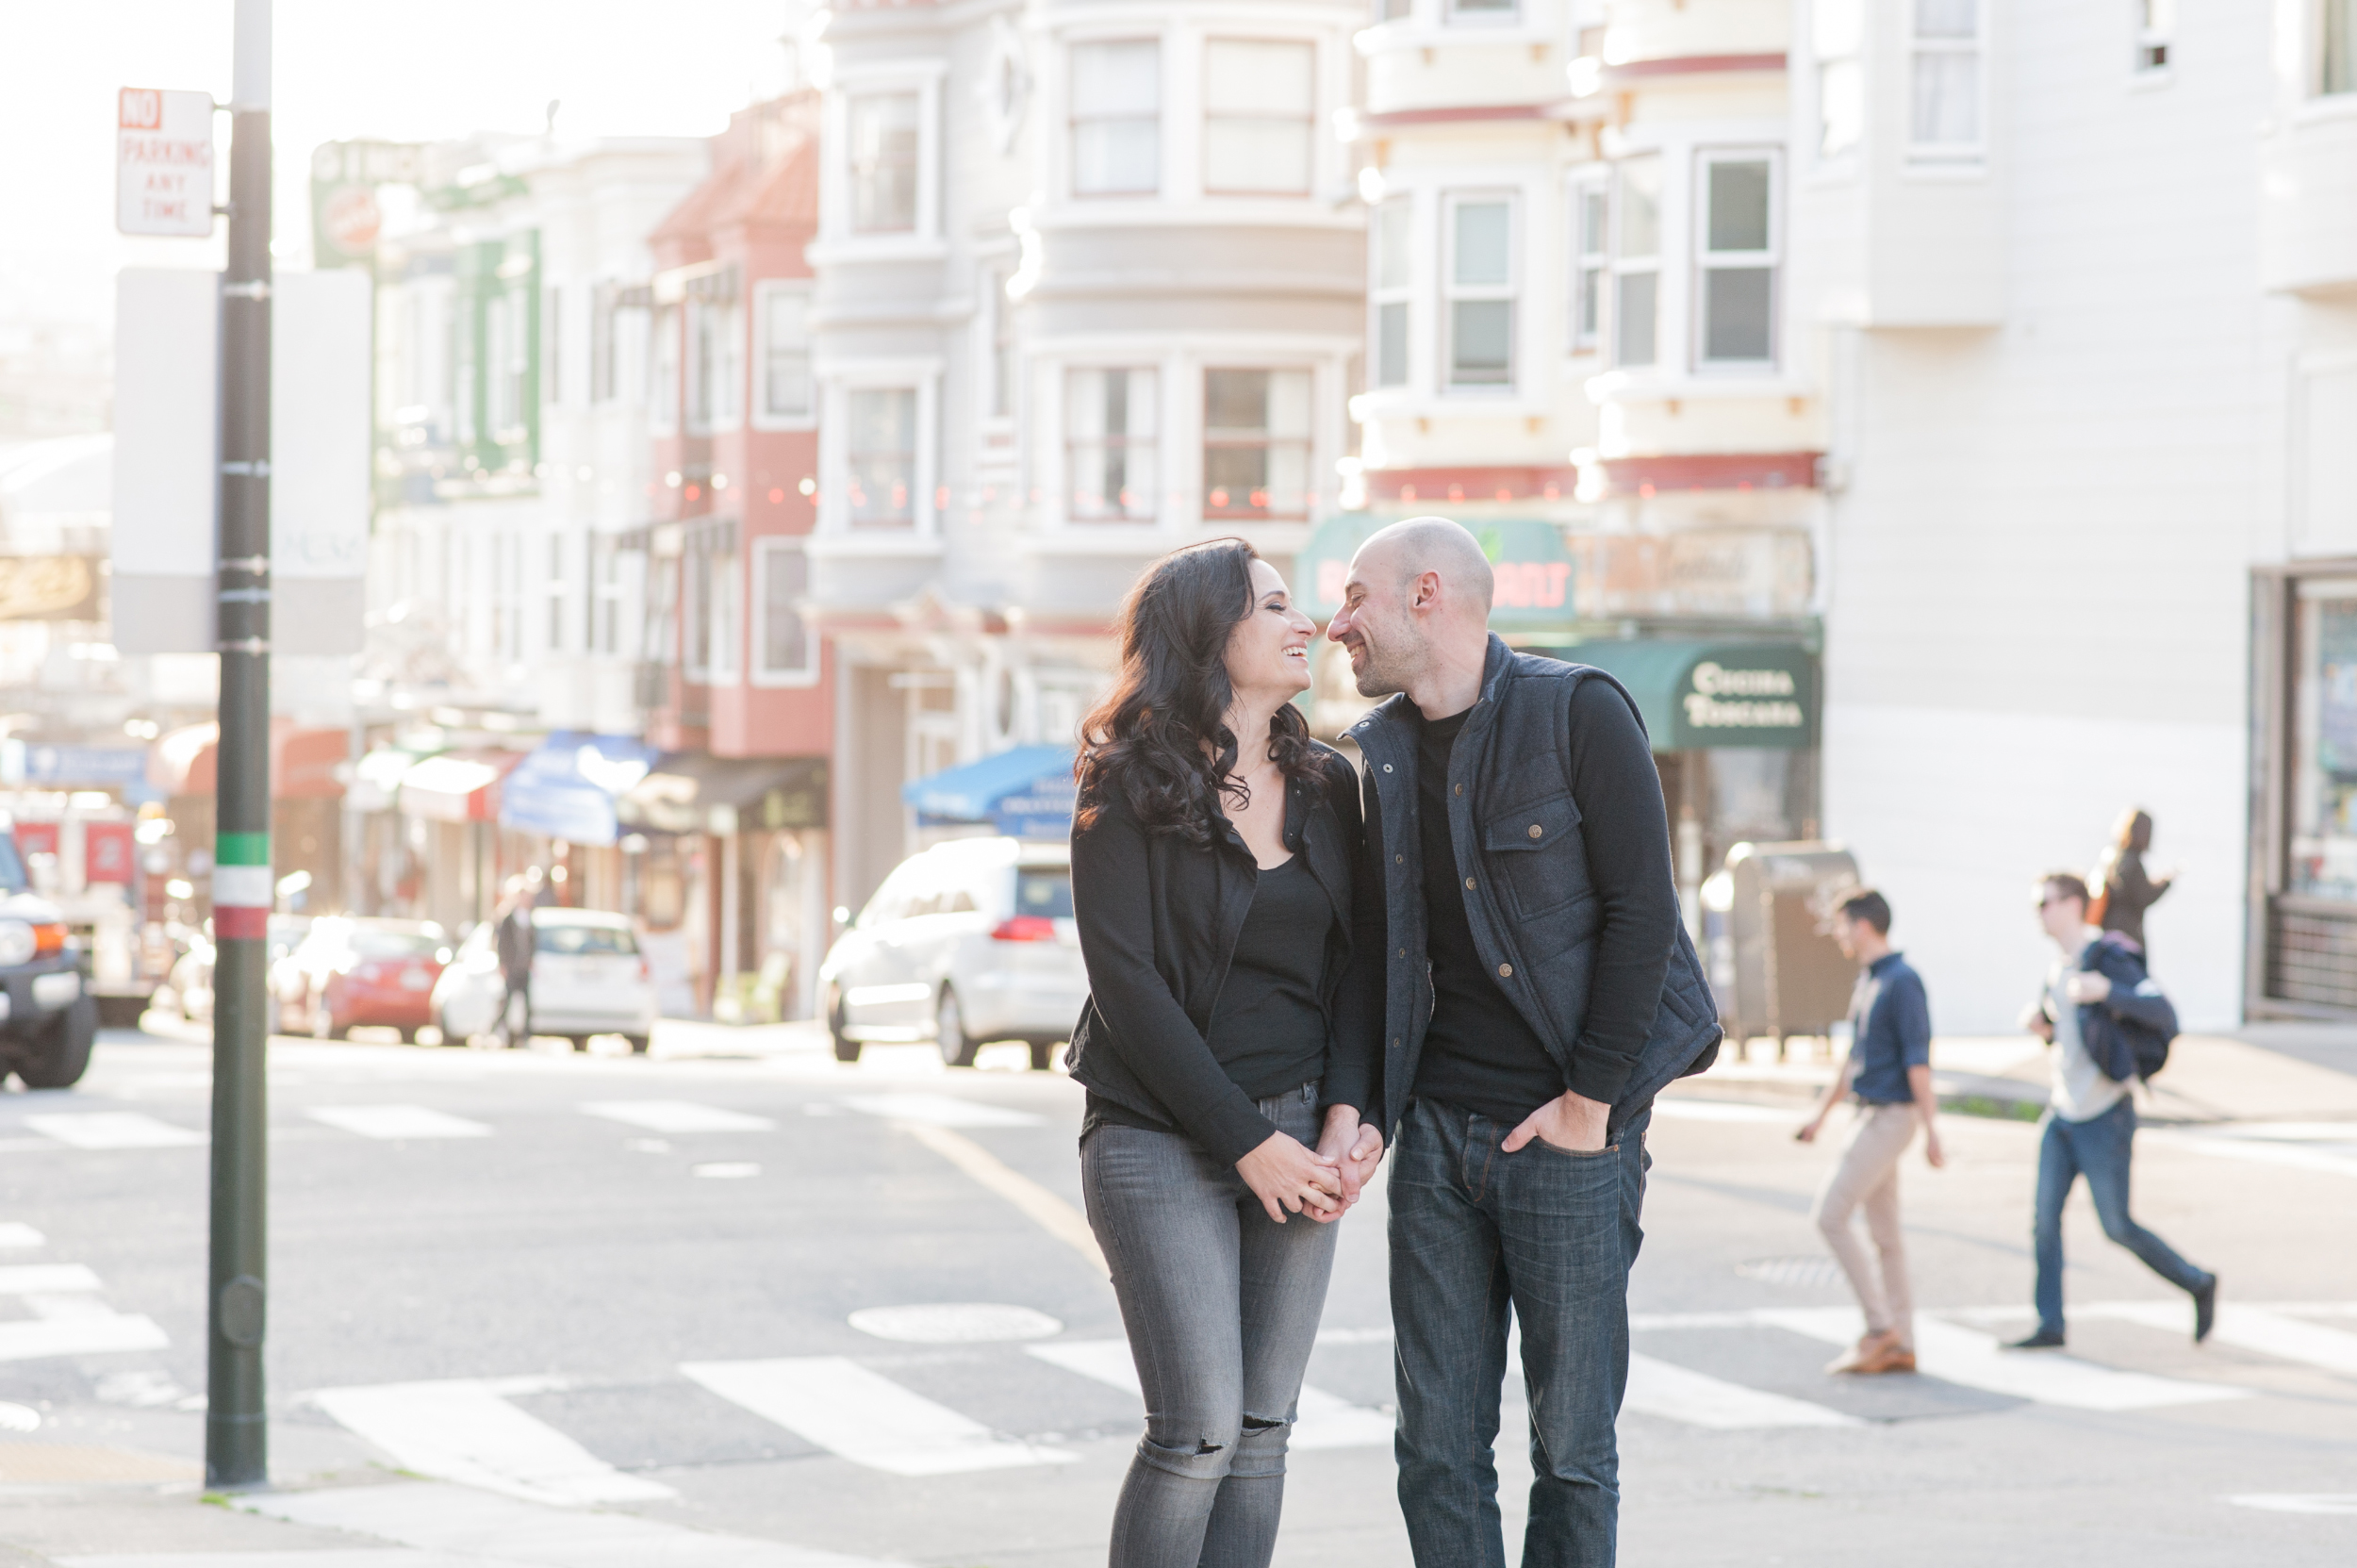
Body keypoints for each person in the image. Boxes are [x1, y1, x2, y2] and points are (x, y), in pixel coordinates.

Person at [1324, 517, 1720, 1568]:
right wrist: (1361, 1110)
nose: (1335, 624)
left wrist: (1590, 1106)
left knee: (1572, 1450)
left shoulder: (1577, 711)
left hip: (1568, 1139)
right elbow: (1376, 957)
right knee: (1436, 1453)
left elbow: (1643, 914)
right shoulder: (1379, 759)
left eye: (1354, 598)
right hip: (1437, 1145)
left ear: (1426, 596)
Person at [1065, 538, 1384, 1568]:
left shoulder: (1330, 783)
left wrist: (1345, 1113)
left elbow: (1356, 970)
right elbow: (1128, 989)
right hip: (1157, 1137)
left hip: (1299, 1127)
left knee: (1260, 1431)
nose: (1309, 625)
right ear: (1212, 632)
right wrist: (1247, 1142)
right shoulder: (1125, 781)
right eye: (1278, 605)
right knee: (1197, 1431)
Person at [2009, 872, 2217, 1351]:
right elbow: (2074, 1037)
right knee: (2043, 1222)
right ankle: (2050, 1325)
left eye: (2046, 902)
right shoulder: (2056, 970)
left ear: (2074, 904)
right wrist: (2044, 1027)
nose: (2039, 912)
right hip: (2063, 1113)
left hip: (2106, 1114)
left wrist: (2107, 991)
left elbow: (2164, 1012)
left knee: (2118, 1227)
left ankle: (2198, 1282)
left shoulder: (2110, 957)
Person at [1796, 888, 1943, 1377]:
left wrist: (1932, 1129)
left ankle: (1881, 1330)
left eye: (1841, 925)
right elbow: (1852, 1061)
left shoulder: (1903, 982)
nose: (1838, 934)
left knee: (1830, 1216)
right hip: (1868, 1113)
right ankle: (1902, 1342)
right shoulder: (1870, 980)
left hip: (1891, 1116)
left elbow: (1918, 1062)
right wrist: (1820, 1117)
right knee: (1887, 1236)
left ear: (1862, 926)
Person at [2092, 807, 2171, 959]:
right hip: (2128, 935)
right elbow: (2144, 897)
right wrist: (2166, 882)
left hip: (2108, 930)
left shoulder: (2113, 855)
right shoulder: (2133, 862)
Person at [493, 867, 545, 1048]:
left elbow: (531, 942)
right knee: (506, 1002)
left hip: (524, 966)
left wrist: (531, 960)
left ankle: (525, 1035)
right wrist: (503, 964)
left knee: (527, 1003)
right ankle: (499, 1032)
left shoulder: (529, 918)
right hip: (511, 966)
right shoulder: (508, 918)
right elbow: (502, 943)